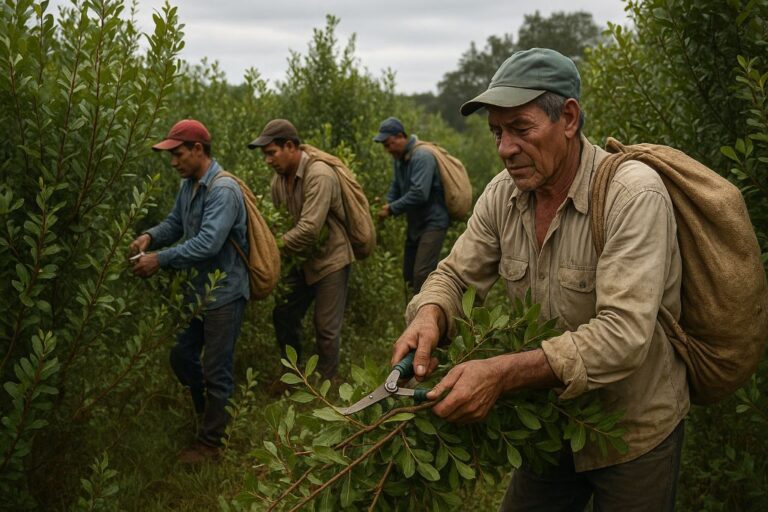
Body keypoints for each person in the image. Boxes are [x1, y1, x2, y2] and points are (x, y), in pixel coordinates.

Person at [390, 48, 689, 511]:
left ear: (568, 118)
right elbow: (453, 274)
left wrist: (502, 373)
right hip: (550, 426)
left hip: (634, 433)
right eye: (497, 131)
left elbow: (624, 335)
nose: (504, 148)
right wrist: (431, 314)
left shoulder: (633, 195)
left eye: (521, 129)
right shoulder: (502, 196)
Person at [130, 119, 248, 463]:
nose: (173, 161)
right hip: (201, 293)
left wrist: (159, 260)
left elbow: (208, 244)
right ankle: (208, 415)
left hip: (224, 293)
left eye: (177, 153)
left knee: (216, 369)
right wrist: (149, 237)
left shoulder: (223, 190)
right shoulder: (190, 185)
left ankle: (212, 444)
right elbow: (175, 224)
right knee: (181, 356)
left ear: (198, 150)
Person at [248, 119, 352, 381]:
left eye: (271, 153)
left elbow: (308, 230)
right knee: (283, 314)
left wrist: (270, 248)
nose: (268, 161)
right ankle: (293, 375)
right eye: (265, 155)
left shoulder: (319, 174)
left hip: (331, 260)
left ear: (291, 146)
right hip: (301, 260)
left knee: (326, 329)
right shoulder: (278, 181)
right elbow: (283, 222)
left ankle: (328, 386)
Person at [374, 117, 450, 294]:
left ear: (401, 136)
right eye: (384, 146)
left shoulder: (422, 156)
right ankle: (412, 317)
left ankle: (428, 317)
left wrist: (391, 209)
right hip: (416, 224)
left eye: (388, 144)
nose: (387, 150)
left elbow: (419, 194)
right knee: (408, 275)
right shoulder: (399, 159)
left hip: (433, 223)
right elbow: (396, 186)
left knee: (422, 274)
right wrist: (386, 202)